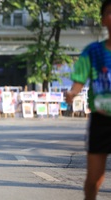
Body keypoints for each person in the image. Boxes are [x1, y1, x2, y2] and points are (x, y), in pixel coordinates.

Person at [65, 1, 111, 199]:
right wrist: (72, 93)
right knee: (94, 179)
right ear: (102, 19)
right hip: (101, 121)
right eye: (110, 12)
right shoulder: (93, 51)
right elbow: (79, 81)